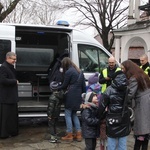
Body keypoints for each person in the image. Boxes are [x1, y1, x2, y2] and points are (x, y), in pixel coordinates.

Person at [121, 60, 150, 150]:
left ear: (128, 68)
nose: (122, 70)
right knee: (146, 131)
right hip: (147, 102)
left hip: (142, 105)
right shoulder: (142, 74)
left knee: (141, 130)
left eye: (123, 68)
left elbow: (130, 94)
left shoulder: (134, 78)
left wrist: (121, 99)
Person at [99, 70, 131, 150]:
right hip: (124, 118)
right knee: (122, 144)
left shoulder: (109, 90)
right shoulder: (127, 89)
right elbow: (129, 102)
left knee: (111, 143)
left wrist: (98, 116)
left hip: (112, 119)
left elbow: (102, 106)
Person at [57, 57, 86, 142]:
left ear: (65, 64)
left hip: (70, 95)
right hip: (78, 96)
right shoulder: (80, 72)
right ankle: (78, 134)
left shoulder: (69, 72)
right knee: (74, 114)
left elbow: (65, 85)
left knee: (68, 114)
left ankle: (69, 134)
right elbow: (84, 87)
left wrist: (57, 87)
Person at [0, 52, 19, 138]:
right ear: (7, 58)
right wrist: (14, 81)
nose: (14, 61)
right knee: (6, 117)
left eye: (15, 59)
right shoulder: (4, 67)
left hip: (11, 97)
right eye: (13, 59)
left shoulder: (10, 68)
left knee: (11, 117)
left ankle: (12, 131)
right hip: (7, 97)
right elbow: (3, 80)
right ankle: (5, 133)